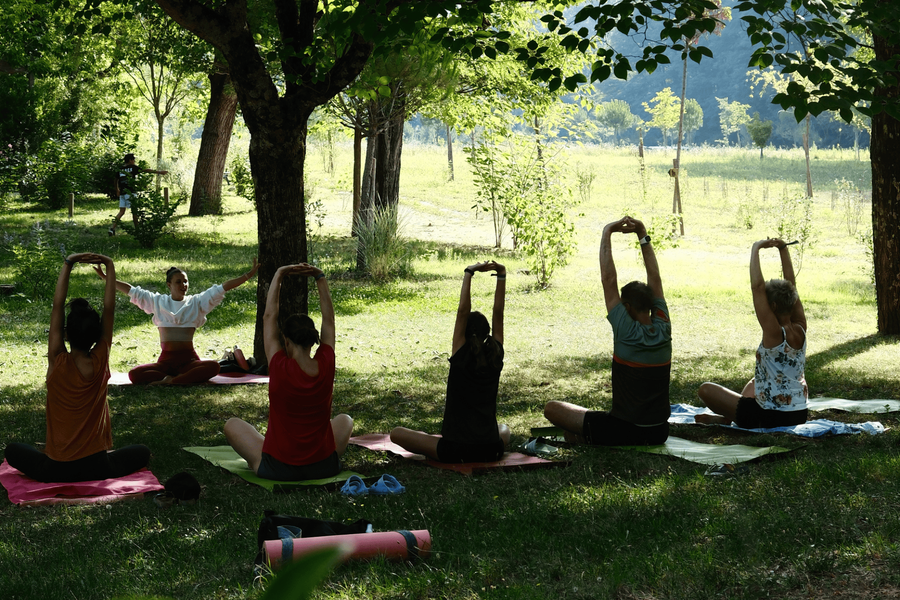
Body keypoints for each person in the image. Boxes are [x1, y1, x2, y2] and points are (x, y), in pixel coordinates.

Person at [4, 254, 150, 482]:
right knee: (142, 452)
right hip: (98, 466)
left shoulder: (57, 360)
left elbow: (57, 306)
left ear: (65, 334)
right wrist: (109, 265)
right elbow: (109, 308)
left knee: (12, 450)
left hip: (55, 469)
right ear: (97, 334)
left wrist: (68, 263)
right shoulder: (100, 360)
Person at [544, 217, 672, 446]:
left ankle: (589, 437)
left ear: (627, 307)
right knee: (574, 432)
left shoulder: (625, 330)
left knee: (552, 409)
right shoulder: (664, 326)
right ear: (651, 305)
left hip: (624, 430)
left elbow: (608, 279)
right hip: (659, 432)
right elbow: (656, 278)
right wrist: (642, 234)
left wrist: (607, 232)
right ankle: (586, 436)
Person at [223, 263, 353, 480]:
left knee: (232, 425)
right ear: (313, 340)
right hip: (324, 466)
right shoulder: (326, 362)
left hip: (278, 469)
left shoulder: (279, 364)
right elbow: (328, 320)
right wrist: (319, 277)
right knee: (345, 420)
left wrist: (279, 273)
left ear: (286, 340)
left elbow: (268, 317)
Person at [390, 261, 511, 462]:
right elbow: (499, 313)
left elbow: (463, 311)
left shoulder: (460, 353)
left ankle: (428, 440)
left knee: (396, 433)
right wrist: (501, 274)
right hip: (490, 449)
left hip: (455, 451)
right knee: (504, 430)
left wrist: (468, 272)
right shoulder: (495, 355)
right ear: (487, 333)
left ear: (463, 333)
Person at [695, 238, 808, 427]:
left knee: (705, 390)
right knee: (755, 382)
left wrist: (756, 248)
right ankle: (727, 418)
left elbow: (757, 288)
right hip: (799, 413)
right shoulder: (801, 327)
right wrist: (782, 249)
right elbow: (792, 284)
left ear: (771, 306)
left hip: (769, 416)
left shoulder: (773, 332)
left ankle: (729, 418)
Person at [95, 259, 259, 384]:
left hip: (189, 361)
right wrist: (106, 278)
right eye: (178, 282)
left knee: (214, 367)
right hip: (165, 363)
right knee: (134, 374)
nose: (183, 285)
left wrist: (248, 275)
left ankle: (173, 381)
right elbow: (132, 291)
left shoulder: (196, 302)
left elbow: (223, 288)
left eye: (185, 281)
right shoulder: (158, 301)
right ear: (169, 284)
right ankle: (179, 379)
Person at [109, 153, 168, 236]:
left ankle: (112, 228)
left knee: (121, 212)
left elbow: (116, 180)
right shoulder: (133, 168)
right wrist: (159, 172)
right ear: (130, 160)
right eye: (133, 160)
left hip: (122, 192)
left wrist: (117, 190)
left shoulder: (120, 169)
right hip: (130, 193)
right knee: (135, 212)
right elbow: (145, 170)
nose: (134, 161)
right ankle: (138, 231)